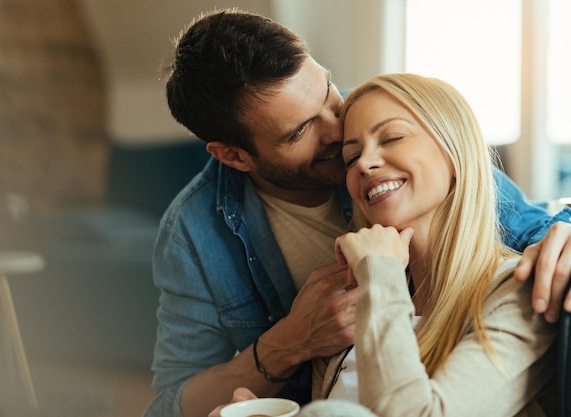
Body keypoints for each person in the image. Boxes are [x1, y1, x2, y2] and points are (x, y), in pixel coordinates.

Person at [144, 9, 571, 417]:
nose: (337, 130)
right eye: (300, 131)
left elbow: (530, 229)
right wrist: (290, 343)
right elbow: (172, 403)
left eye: (328, 93)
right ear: (234, 157)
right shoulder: (194, 231)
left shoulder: (384, 125)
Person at [317, 73, 557, 415]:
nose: (365, 164)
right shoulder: (352, 302)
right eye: (351, 158)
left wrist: (381, 274)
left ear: (454, 151)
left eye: (392, 137)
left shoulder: (517, 291)